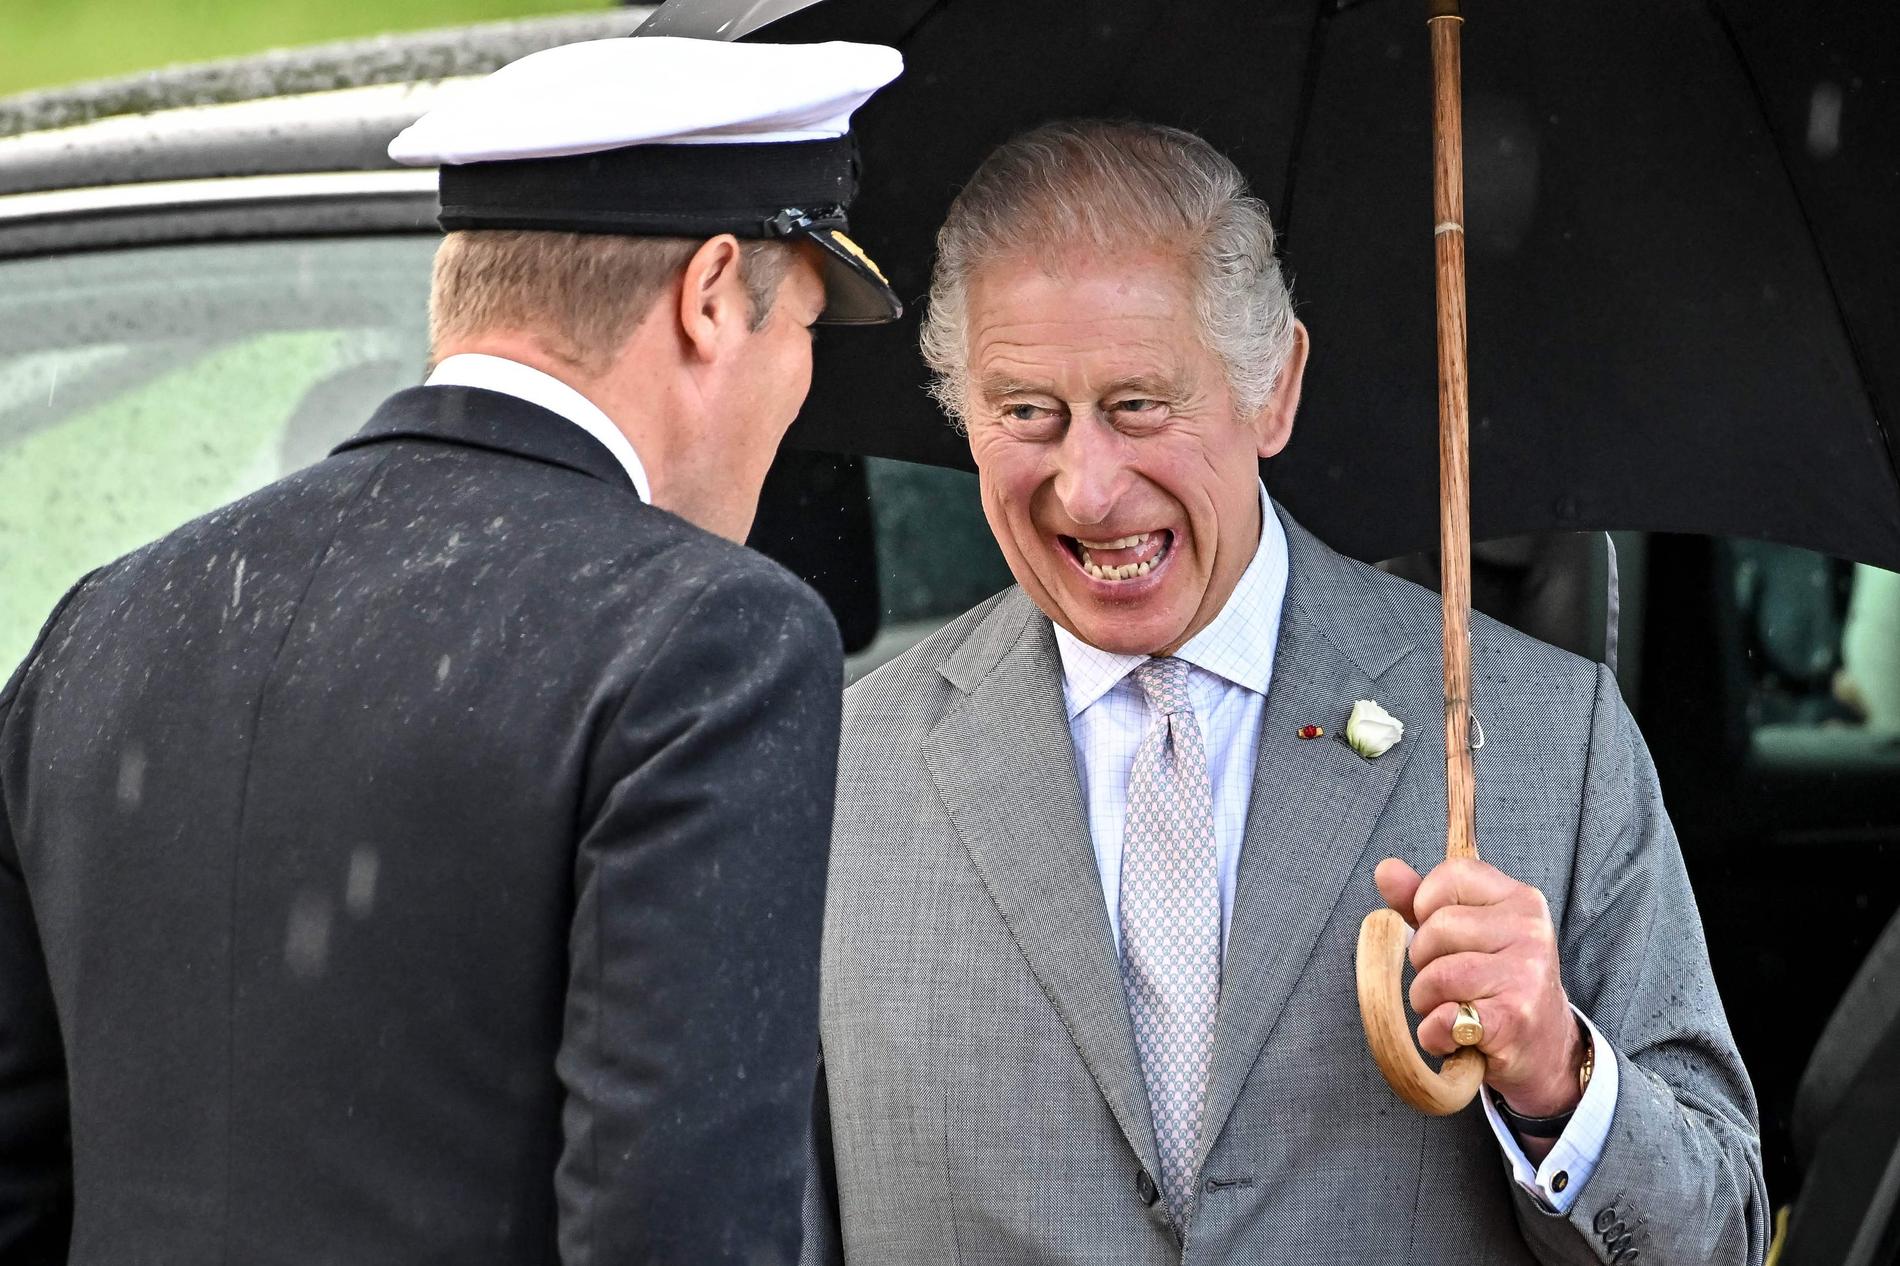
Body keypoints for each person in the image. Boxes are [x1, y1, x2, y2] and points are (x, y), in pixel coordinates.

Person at [0, 36, 901, 1266]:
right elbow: (679, 1226)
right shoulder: (707, 638)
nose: (799, 387)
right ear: (709, 294)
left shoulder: (103, 624)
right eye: (800, 326)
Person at [805, 120, 1767, 1264]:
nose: (1088, 486)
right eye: (1025, 412)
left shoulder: (1547, 742)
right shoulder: (832, 772)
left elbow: (1713, 1239)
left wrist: (1558, 1075)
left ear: (1275, 389)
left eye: (1137, 406)